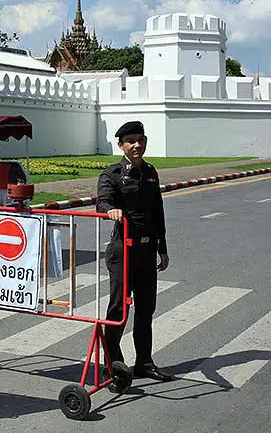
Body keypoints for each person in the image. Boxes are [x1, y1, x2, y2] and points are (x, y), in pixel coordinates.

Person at [96, 120, 174, 383]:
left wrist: (162, 248)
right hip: (122, 251)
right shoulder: (112, 174)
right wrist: (110, 210)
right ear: (121, 145)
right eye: (131, 141)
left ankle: (144, 362)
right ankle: (113, 363)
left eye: (140, 139)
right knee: (118, 309)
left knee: (145, 309)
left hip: (146, 250)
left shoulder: (151, 173)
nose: (137, 145)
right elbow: (102, 201)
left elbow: (158, 212)